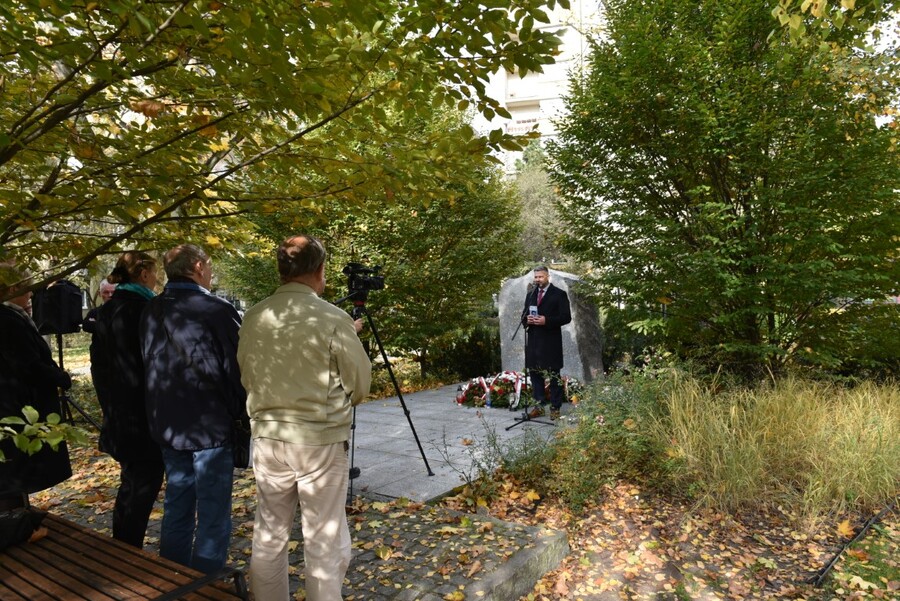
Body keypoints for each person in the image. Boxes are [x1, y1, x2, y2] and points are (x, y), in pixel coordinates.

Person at [237, 235, 371, 601]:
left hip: (267, 437)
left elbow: (246, 374)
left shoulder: (253, 315)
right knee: (323, 538)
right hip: (319, 442)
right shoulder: (333, 317)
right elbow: (359, 386)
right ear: (319, 270)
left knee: (269, 533)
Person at [140, 244, 247, 573]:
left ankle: (173, 579)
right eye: (210, 266)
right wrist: (241, 415)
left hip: (167, 424)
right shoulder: (215, 309)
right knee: (213, 514)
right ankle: (206, 585)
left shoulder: (152, 309)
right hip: (209, 427)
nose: (212, 272)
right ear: (198, 266)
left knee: (178, 505)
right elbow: (235, 371)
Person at [90, 252, 164, 548]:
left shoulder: (108, 310)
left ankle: (122, 546)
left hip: (118, 413)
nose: (157, 279)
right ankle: (126, 552)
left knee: (131, 484)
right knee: (141, 485)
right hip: (141, 418)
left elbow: (98, 366)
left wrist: (108, 404)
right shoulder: (143, 309)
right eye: (154, 273)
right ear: (144, 273)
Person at [0, 263, 73, 511]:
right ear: (12, 288)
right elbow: (28, 365)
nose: (32, 294)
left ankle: (19, 520)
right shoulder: (7, 320)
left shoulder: (13, 317)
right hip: (16, 406)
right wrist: (60, 377)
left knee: (15, 473)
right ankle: (14, 527)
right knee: (13, 473)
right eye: (27, 288)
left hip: (15, 405)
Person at [522, 265, 571, 420]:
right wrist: (527, 320)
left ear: (548, 276)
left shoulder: (559, 294)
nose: (538, 280)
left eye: (540, 277)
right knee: (535, 375)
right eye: (536, 277)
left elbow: (566, 317)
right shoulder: (530, 294)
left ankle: (555, 408)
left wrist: (546, 320)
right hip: (534, 342)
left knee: (554, 375)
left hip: (551, 342)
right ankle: (539, 406)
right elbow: (524, 316)